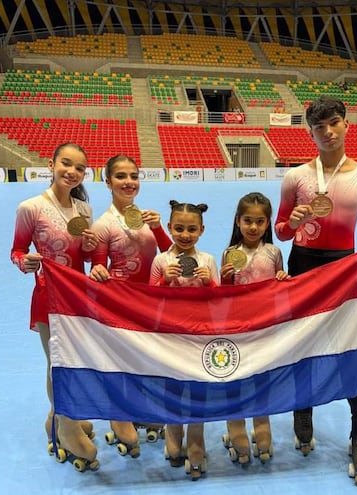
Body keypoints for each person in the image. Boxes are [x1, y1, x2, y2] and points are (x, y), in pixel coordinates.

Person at [274, 96, 357, 487]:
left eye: (334, 123)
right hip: (302, 265)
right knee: (301, 343)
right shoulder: (295, 178)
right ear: (309, 132)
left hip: (344, 270)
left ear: (346, 124)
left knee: (347, 345)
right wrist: (291, 222)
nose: (327, 131)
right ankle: (302, 409)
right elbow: (281, 232)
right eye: (318, 126)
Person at [10, 143, 100, 469]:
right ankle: (65, 423)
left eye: (79, 168)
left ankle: (59, 417)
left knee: (75, 360)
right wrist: (26, 262)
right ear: (52, 164)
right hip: (48, 296)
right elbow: (17, 251)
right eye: (66, 163)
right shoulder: (30, 207)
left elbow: (84, 259)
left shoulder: (84, 211)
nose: (71, 172)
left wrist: (90, 249)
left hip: (77, 297)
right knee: (56, 360)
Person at [89, 154, 172, 457]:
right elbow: (98, 265)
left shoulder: (149, 219)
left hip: (152, 300)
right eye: (121, 176)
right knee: (123, 360)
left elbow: (170, 254)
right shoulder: (103, 225)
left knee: (150, 358)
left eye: (133, 176)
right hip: (121, 302)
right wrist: (98, 271)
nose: (129, 182)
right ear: (107, 181)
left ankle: (149, 410)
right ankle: (123, 413)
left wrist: (160, 227)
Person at [149, 200, 219, 480]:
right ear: (169, 228)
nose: (185, 234)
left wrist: (208, 284)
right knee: (173, 388)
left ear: (201, 230)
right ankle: (173, 432)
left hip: (200, 335)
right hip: (170, 335)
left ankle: (197, 437)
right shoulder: (160, 261)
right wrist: (164, 281)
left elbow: (220, 300)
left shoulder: (208, 261)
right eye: (179, 228)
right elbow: (149, 299)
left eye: (192, 229)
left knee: (199, 388)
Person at [219, 192, 289, 466]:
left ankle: (262, 429)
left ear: (267, 223)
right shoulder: (229, 254)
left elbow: (281, 294)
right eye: (247, 221)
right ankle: (238, 429)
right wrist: (224, 280)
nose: (253, 227)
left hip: (265, 330)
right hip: (237, 329)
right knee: (237, 379)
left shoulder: (274, 253)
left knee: (260, 380)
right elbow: (224, 297)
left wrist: (283, 279)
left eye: (259, 222)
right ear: (237, 221)